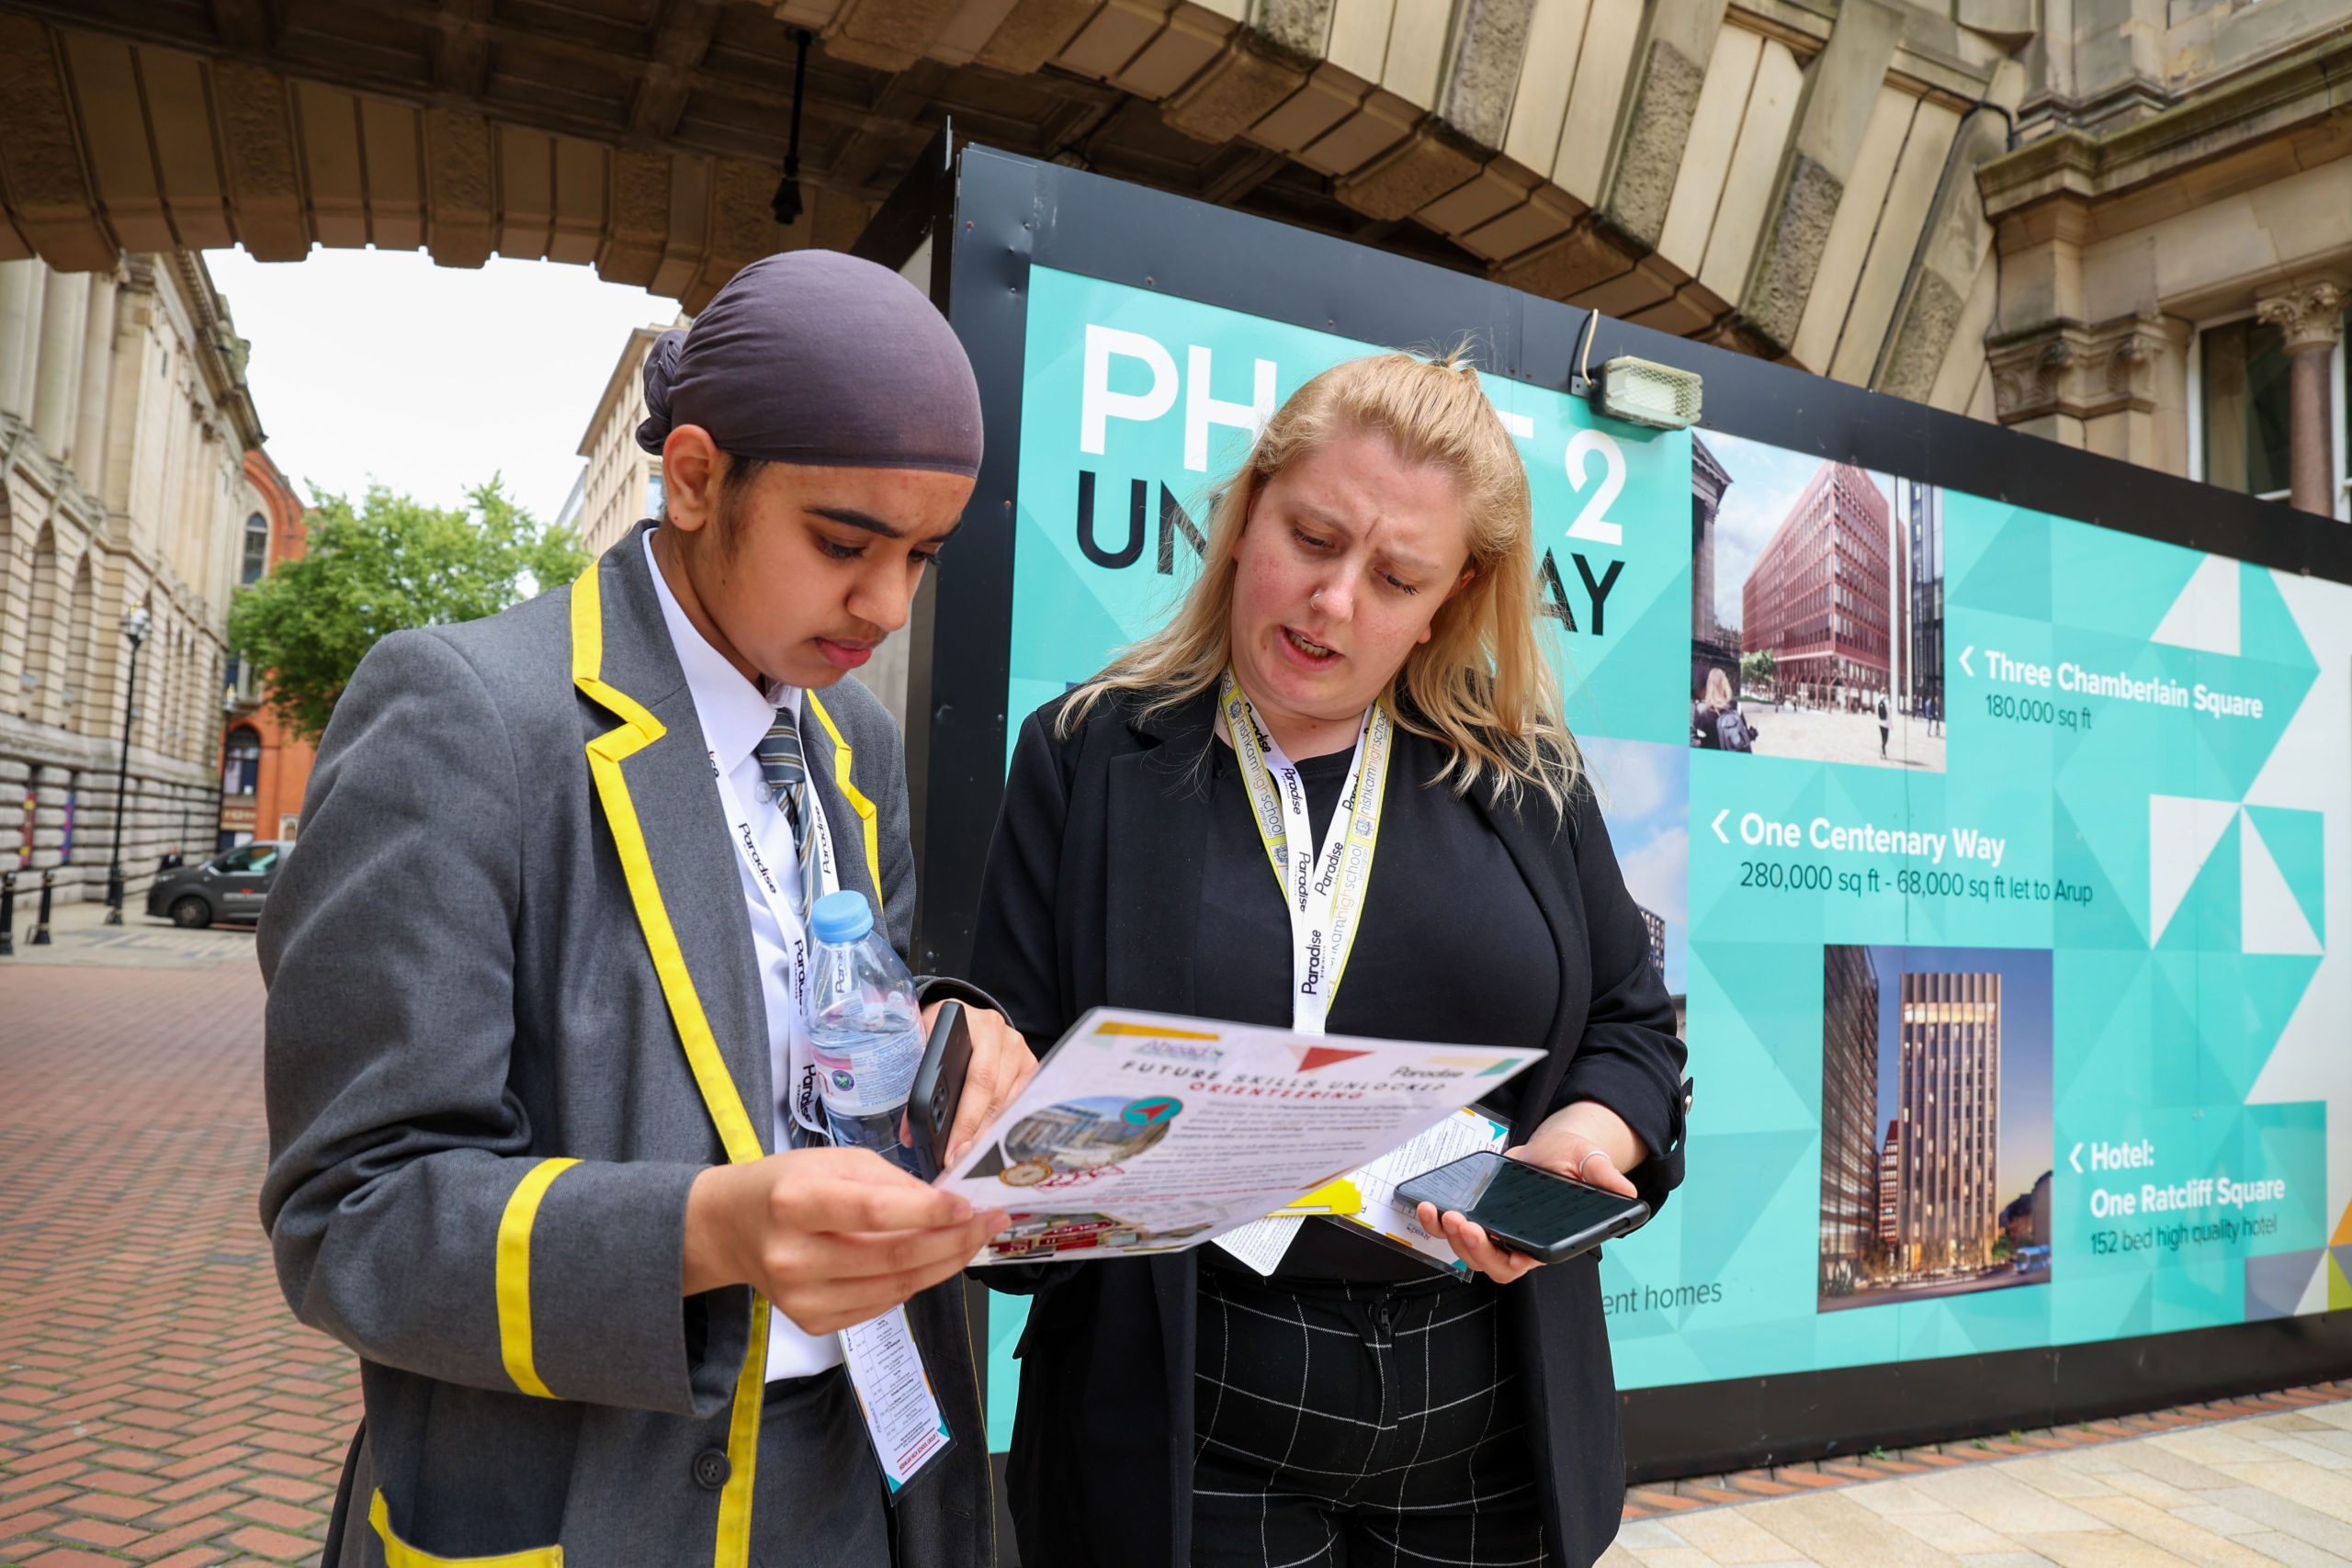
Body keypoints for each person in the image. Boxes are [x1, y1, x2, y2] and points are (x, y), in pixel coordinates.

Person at [258, 252, 1035, 1568]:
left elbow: (824, 1022)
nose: (888, 603)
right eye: (843, 542)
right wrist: (709, 1227)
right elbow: (353, 1217)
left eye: (922, 554)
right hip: (583, 1503)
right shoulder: (466, 714)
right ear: (690, 476)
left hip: (856, 1480)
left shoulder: (851, 740)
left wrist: (952, 1042)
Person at [969, 352, 1689, 1568]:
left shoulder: (1527, 781)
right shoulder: (1088, 753)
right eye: (1311, 537)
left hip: (1489, 1432)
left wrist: (1585, 1138)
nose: (1335, 601)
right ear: (1246, 513)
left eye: (1396, 574)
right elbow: (1008, 1044)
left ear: (1452, 599)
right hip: (1190, 1418)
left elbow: (1632, 1025)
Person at [1691, 663, 1755, 752]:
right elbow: (1743, 734)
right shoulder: (1736, 706)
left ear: (1709, 687)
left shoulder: (1704, 715)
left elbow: (1703, 745)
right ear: (1725, 685)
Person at [1877, 693, 1892, 758]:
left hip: (1880, 722)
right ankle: (1882, 748)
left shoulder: (1878, 700)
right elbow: (1889, 713)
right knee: (1886, 739)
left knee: (1883, 738)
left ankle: (1884, 754)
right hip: (1886, 723)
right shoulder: (1886, 701)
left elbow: (1876, 712)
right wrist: (1891, 724)